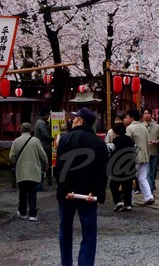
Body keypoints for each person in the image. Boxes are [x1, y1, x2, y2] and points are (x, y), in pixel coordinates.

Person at [55, 107, 108, 266]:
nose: (72, 120)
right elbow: (102, 172)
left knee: (65, 230)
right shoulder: (99, 143)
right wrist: (97, 192)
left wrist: (64, 188)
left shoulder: (65, 139)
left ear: (81, 121)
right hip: (89, 194)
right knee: (89, 233)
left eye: (75, 118)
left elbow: (60, 168)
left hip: (67, 193)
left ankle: (66, 263)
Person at [9, 122, 48, 221]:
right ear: (31, 130)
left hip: (21, 171)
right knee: (32, 192)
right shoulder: (35, 141)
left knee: (22, 192)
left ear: (20, 130)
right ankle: (32, 214)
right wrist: (45, 165)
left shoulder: (16, 141)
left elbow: (11, 157)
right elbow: (43, 156)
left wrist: (15, 163)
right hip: (33, 170)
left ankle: (22, 212)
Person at [124, 109, 155, 206]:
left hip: (135, 156)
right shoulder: (144, 127)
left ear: (132, 118)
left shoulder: (130, 128)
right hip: (145, 155)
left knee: (130, 178)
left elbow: (128, 143)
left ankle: (130, 200)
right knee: (143, 177)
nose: (126, 119)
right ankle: (148, 196)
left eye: (127, 117)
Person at [108, 121, 136, 212]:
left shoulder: (116, 141)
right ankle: (128, 204)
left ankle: (118, 202)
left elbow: (113, 154)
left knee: (113, 185)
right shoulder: (130, 139)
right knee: (127, 185)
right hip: (130, 165)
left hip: (118, 166)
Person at [142, 108, 159, 193]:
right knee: (147, 173)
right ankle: (150, 191)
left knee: (152, 173)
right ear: (143, 115)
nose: (146, 115)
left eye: (148, 113)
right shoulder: (140, 126)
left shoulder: (157, 126)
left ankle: (151, 186)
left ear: (151, 115)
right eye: (145, 113)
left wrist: (157, 142)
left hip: (154, 152)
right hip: (145, 153)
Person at [34, 108, 54, 189]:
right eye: (48, 114)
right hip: (43, 147)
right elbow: (45, 135)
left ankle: (39, 185)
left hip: (41, 146)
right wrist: (53, 138)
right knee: (42, 166)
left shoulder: (39, 122)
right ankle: (39, 186)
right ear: (45, 114)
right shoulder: (42, 123)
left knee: (41, 166)